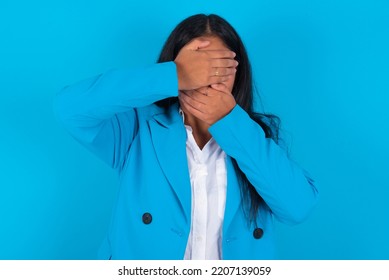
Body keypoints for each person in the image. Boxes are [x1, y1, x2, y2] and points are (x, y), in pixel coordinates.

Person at [54, 14, 318, 260]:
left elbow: (298, 207)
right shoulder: (137, 128)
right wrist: (173, 75)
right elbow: (69, 108)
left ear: (237, 74)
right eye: (197, 66)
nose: (206, 79)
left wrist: (229, 120)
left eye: (218, 67)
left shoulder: (255, 137)